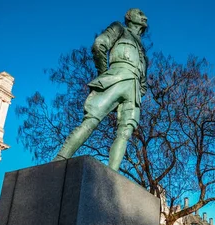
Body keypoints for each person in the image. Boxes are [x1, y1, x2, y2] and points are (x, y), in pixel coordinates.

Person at [52, 8, 149, 171]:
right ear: (130, 17)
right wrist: (105, 75)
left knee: (124, 134)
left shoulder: (143, 53)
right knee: (91, 120)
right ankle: (59, 160)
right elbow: (99, 44)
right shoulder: (119, 28)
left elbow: (144, 82)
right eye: (140, 14)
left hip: (133, 91)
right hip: (116, 78)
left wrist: (139, 92)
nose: (144, 17)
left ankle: (112, 176)